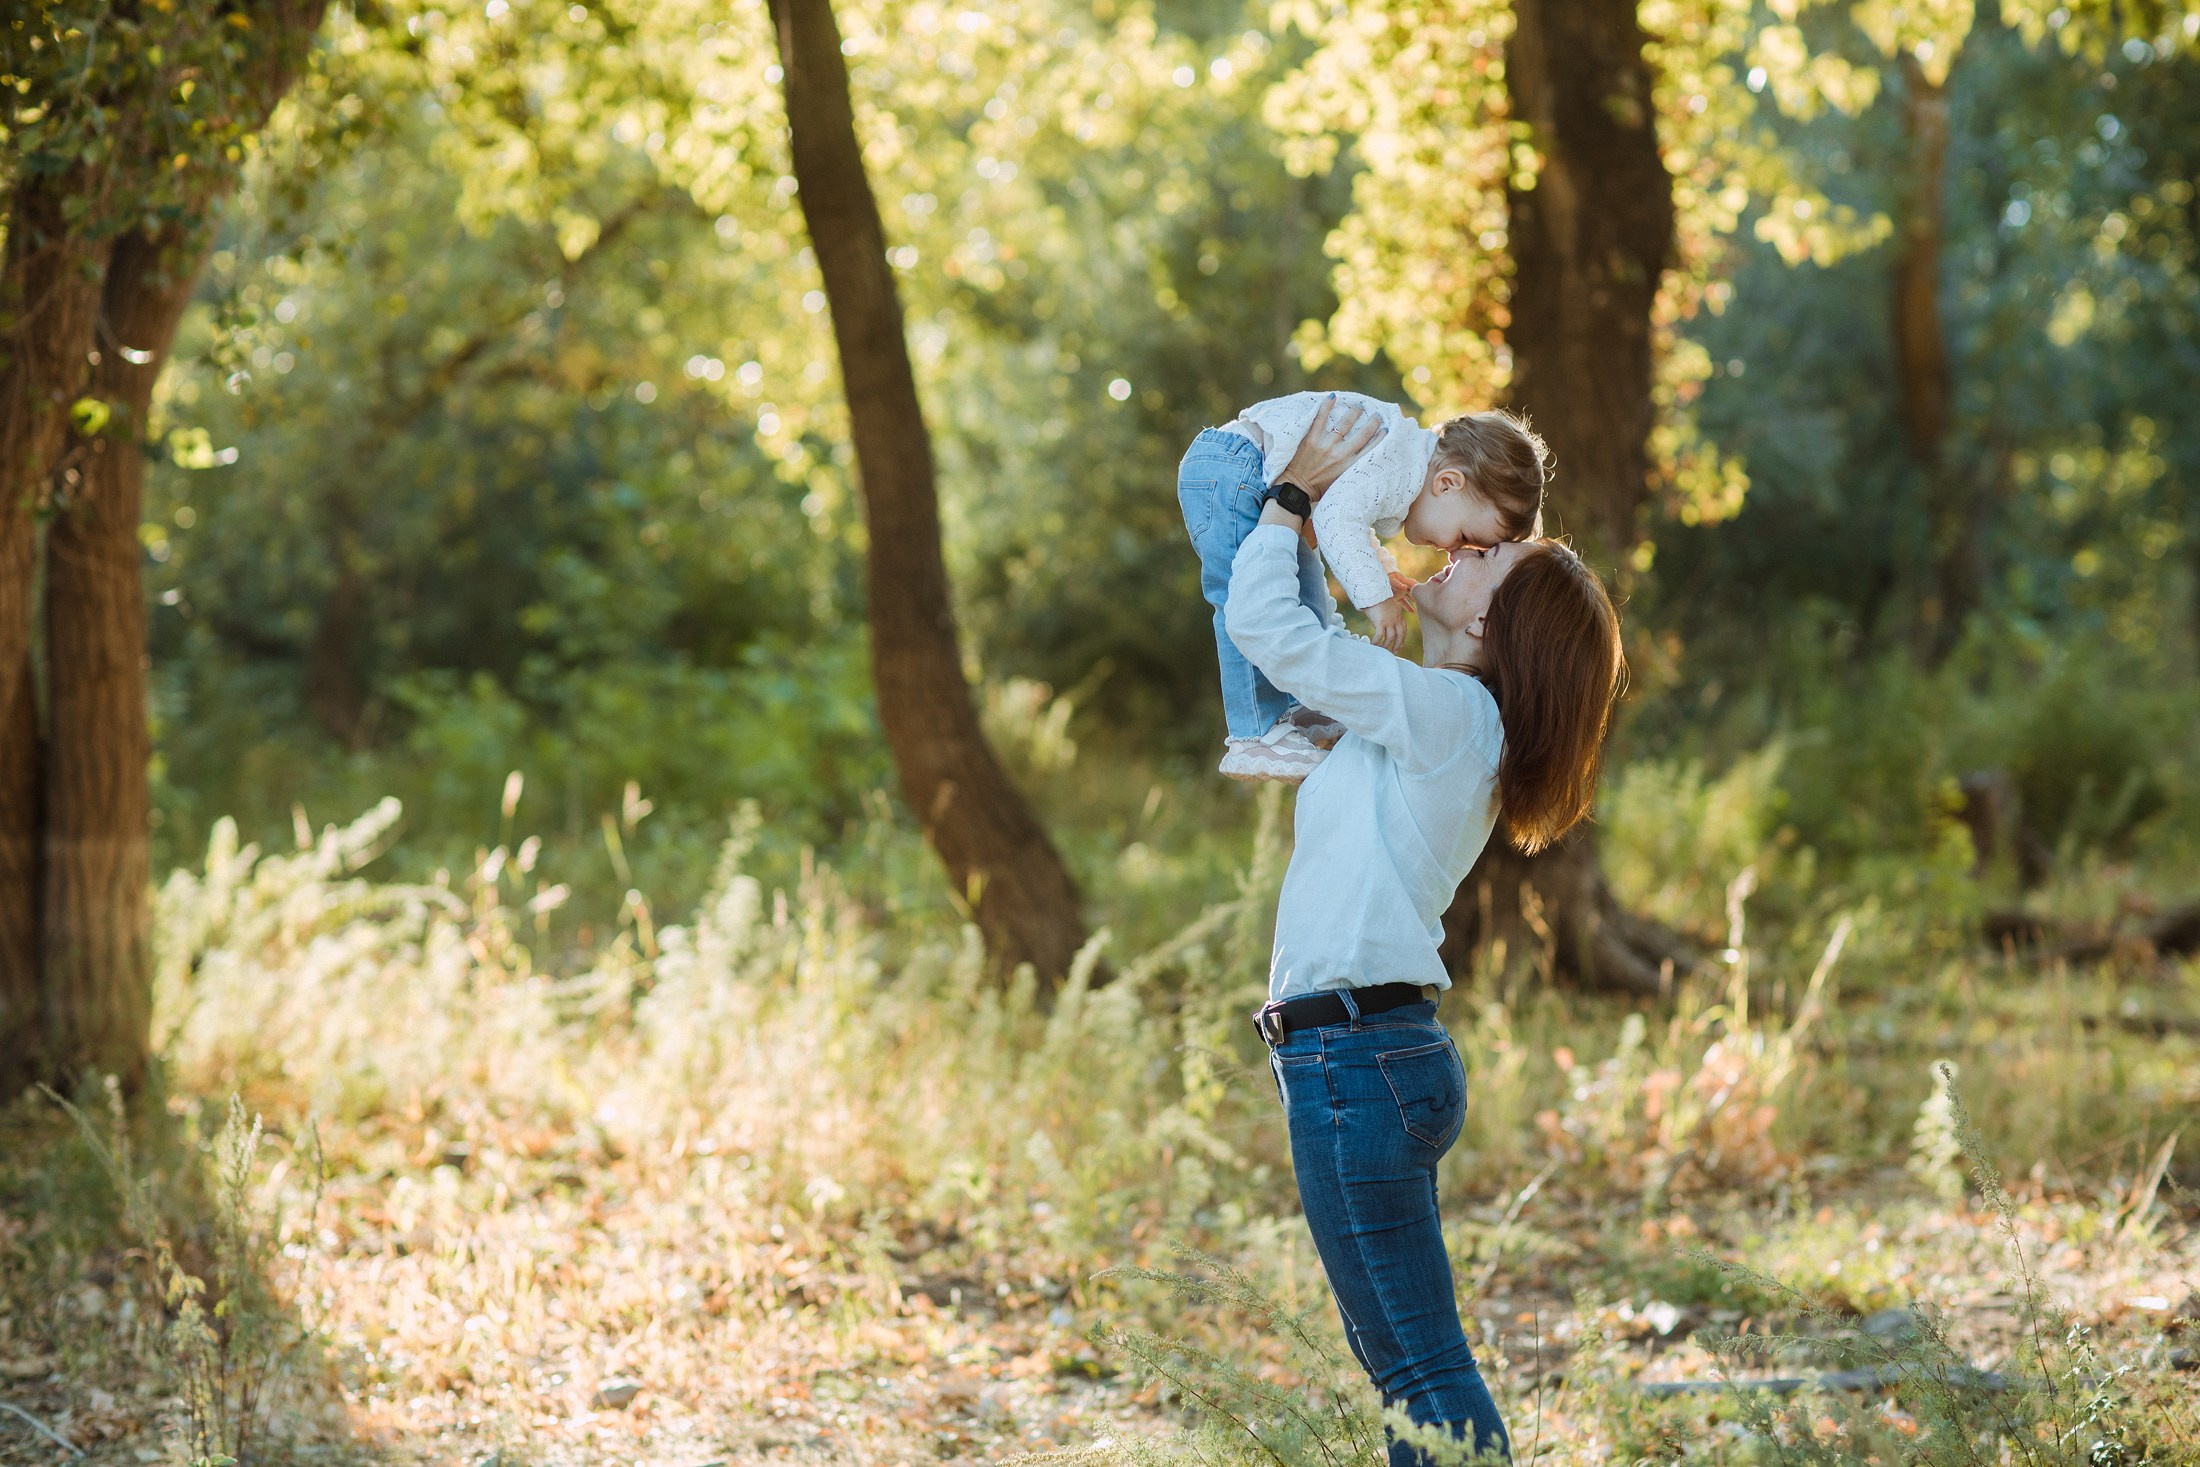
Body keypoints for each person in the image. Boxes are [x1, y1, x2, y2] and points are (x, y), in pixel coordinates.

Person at [1223, 402, 1624, 1466]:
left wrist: (1292, 496)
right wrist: (1331, 551)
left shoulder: (1451, 719)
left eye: (1487, 559)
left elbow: (1267, 631)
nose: (1458, 553)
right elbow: (1297, 675)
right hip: (1360, 1057)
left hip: (1357, 1061)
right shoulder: (1429, 710)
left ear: (1501, 628)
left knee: (1419, 1375)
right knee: (1412, 1370)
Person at [1178, 391, 1549, 782]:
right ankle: (1253, 734)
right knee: (1237, 593)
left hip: (1243, 470)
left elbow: (1349, 515)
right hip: (1235, 467)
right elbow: (1338, 519)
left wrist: (1380, 570)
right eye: (1463, 536)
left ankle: (1293, 705)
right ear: (1448, 483)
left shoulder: (1403, 464)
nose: (1454, 552)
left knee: (1298, 581)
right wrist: (1377, 600)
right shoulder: (1399, 465)